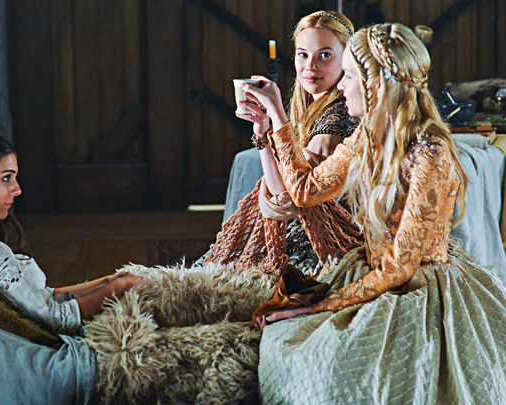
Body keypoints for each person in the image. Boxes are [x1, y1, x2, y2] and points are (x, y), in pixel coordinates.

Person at [257, 23, 506, 402]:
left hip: (417, 288)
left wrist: (319, 307)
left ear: (376, 86)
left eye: (349, 76)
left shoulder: (430, 153)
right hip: (373, 269)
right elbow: (305, 191)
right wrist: (275, 118)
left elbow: (401, 267)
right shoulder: (366, 135)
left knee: (343, 370)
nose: (342, 86)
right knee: (284, 344)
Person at [0, 127, 144, 334]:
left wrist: (106, 282)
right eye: (6, 178)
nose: (17, 189)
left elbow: (41, 296)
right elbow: (57, 318)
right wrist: (119, 288)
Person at [205, 11, 362, 274]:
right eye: (303, 54)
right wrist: (262, 133)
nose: (310, 66)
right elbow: (280, 192)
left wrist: (277, 114)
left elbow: (291, 200)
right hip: (300, 235)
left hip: (321, 246)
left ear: (347, 59)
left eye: (324, 55)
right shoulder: (315, 108)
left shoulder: (338, 119)